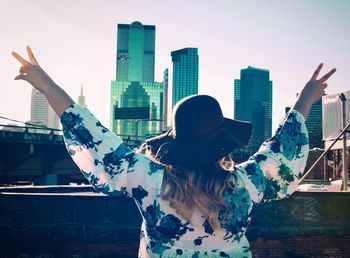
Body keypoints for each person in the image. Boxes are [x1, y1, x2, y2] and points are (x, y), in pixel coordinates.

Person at [12, 47, 336, 258]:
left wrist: (45, 84)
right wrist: (306, 97)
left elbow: (93, 137)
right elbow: (283, 149)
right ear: (222, 141)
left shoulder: (148, 179)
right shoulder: (246, 183)